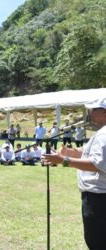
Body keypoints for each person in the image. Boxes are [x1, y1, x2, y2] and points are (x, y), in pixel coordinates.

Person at [42, 97, 106, 249]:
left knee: (97, 242)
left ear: (104, 112)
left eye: (93, 109)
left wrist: (64, 160)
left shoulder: (104, 135)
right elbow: (90, 154)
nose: (89, 112)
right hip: (100, 197)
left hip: (99, 199)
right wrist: (71, 152)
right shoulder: (102, 133)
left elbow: (98, 164)